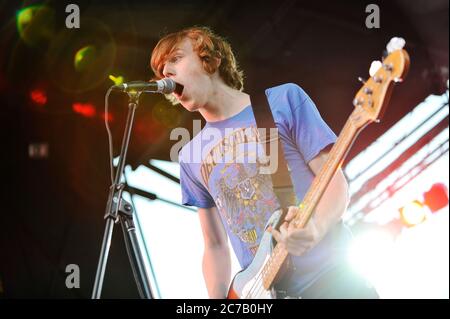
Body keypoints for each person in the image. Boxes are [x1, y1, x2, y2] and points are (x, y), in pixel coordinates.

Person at [149, 26, 379, 299]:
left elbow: (334, 181)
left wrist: (314, 229)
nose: (166, 73)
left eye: (175, 59)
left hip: (332, 280)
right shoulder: (189, 156)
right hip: (263, 293)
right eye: (162, 69)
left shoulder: (282, 100)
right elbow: (214, 245)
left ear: (209, 58)